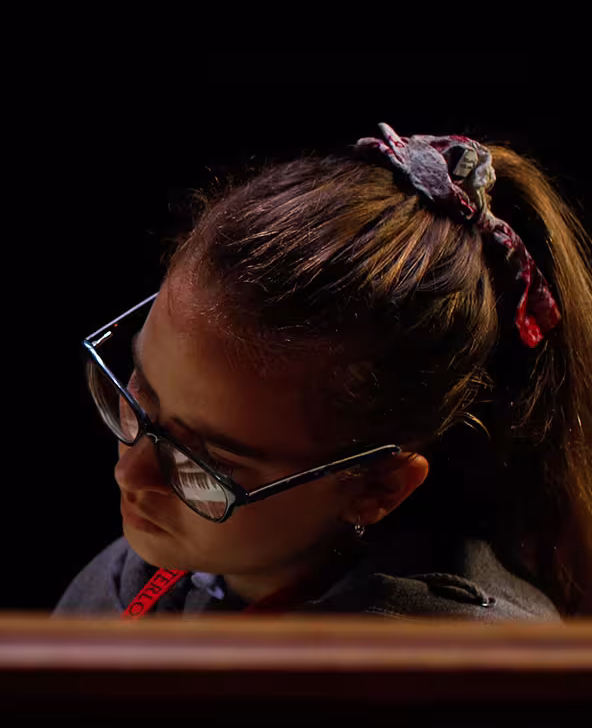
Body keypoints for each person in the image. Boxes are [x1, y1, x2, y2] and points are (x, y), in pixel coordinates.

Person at [56, 123, 592, 620]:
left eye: (205, 464)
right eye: (139, 397)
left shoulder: (457, 668)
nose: (130, 475)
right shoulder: (130, 583)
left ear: (377, 487)